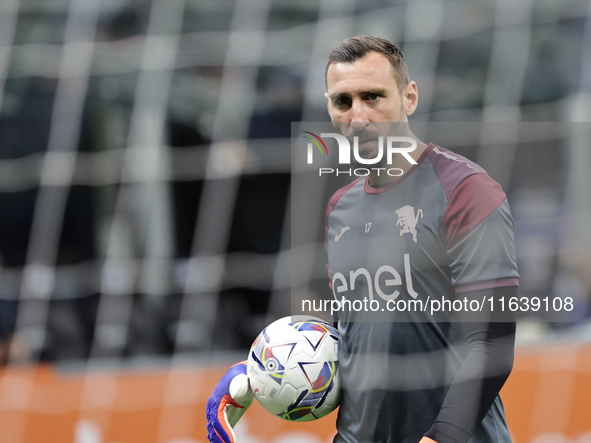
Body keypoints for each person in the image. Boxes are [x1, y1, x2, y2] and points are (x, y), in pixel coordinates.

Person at [206, 36, 519, 443]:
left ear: (409, 98)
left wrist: (442, 437)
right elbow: (357, 334)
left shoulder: (466, 189)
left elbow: (492, 343)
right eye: (343, 101)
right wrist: (262, 371)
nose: (357, 116)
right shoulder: (340, 207)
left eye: (373, 97)